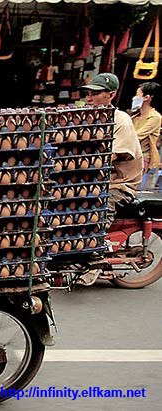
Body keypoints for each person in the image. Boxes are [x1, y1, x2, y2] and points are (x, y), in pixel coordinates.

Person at [78, 73, 143, 286]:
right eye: (88, 93)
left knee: (100, 209)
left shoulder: (121, 120)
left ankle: (94, 260)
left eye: (95, 94)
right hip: (95, 181)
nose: (89, 98)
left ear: (111, 95)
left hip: (119, 183)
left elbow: (120, 154)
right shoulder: (90, 118)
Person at [131, 82, 162, 189]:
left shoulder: (154, 117)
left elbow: (136, 136)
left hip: (140, 158)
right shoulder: (135, 116)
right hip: (128, 155)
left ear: (146, 98)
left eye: (137, 94)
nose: (134, 97)